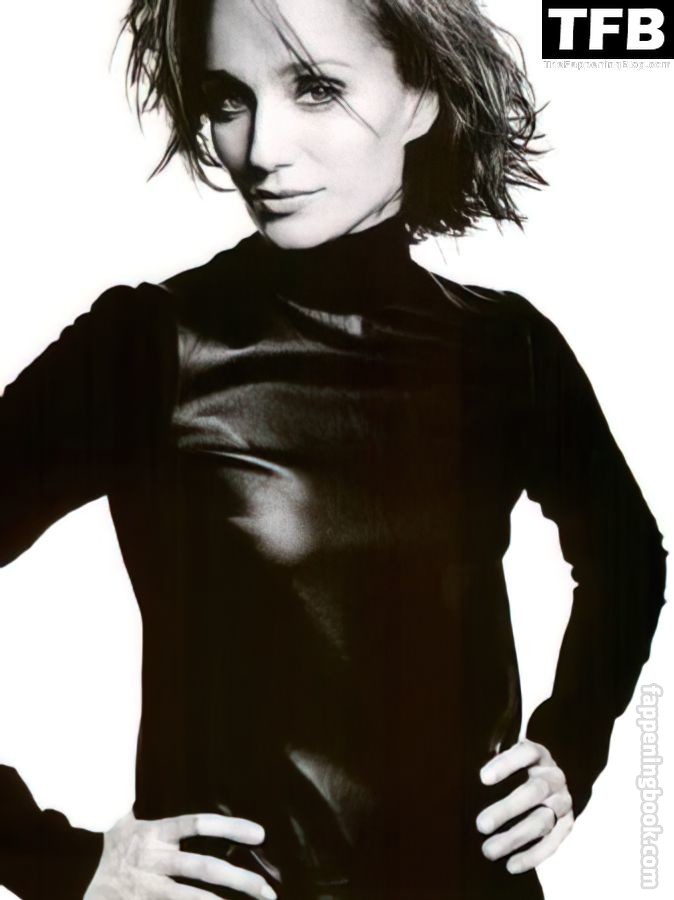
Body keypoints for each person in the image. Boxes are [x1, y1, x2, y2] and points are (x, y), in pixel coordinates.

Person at [0, 1, 667, 898]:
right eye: (229, 99)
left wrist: (572, 746)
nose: (261, 149)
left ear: (422, 96)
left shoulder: (507, 349)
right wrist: (53, 860)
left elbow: (627, 556)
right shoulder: (148, 349)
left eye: (315, 89)